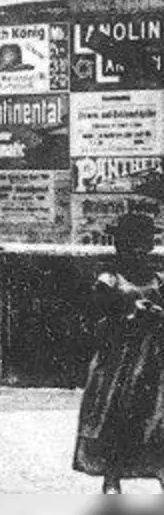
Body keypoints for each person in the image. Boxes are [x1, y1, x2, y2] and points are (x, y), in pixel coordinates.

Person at [74, 211, 164, 493]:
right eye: (129, 243)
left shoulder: (159, 280)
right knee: (117, 416)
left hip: (154, 361)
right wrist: (128, 317)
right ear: (119, 245)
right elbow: (92, 323)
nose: (137, 250)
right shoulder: (109, 281)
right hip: (118, 365)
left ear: (150, 245)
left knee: (156, 416)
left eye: (142, 243)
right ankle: (112, 477)